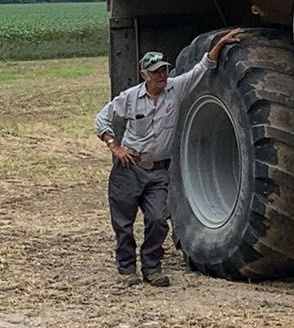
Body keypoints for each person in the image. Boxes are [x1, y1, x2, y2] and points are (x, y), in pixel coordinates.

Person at [93, 28, 247, 287]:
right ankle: (127, 269)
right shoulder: (129, 98)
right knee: (123, 223)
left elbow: (202, 68)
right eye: (156, 71)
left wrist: (219, 44)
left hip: (158, 171)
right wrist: (114, 147)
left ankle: (152, 268)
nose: (162, 75)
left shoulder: (176, 89)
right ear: (145, 75)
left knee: (157, 220)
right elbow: (101, 119)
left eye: (164, 70)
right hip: (129, 168)